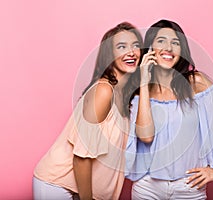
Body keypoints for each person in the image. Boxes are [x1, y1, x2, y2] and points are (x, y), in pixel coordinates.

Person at [125, 19, 213, 199]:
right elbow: (146, 136)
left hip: (189, 186)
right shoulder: (140, 89)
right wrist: (144, 81)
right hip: (148, 186)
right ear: (150, 48)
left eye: (175, 43)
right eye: (161, 41)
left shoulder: (196, 82)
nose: (168, 47)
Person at [33, 22, 143, 200]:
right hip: (58, 185)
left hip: (83, 191)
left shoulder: (123, 94)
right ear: (109, 55)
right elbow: (81, 157)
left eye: (135, 45)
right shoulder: (103, 91)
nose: (131, 52)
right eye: (121, 46)